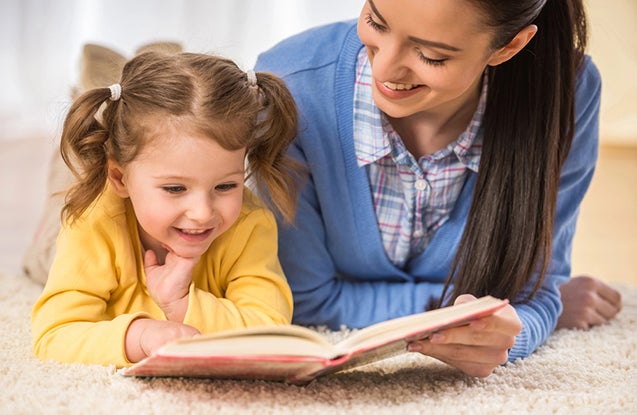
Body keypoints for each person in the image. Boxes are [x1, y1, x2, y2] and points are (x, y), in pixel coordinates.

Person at [255, 0, 622, 377]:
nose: (383, 68)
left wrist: (513, 329)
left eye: (430, 55)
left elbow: (534, 294)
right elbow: (307, 300)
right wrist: (476, 311)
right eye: (375, 22)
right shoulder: (290, 87)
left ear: (509, 46)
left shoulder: (567, 92)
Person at [31, 51, 300, 367]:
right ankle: (94, 82)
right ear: (119, 177)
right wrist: (138, 337)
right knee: (51, 233)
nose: (202, 212)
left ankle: (160, 52)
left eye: (226, 186)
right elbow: (54, 334)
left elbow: (271, 330)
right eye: (175, 188)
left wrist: (180, 303)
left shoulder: (250, 224)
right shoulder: (92, 222)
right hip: (79, 211)